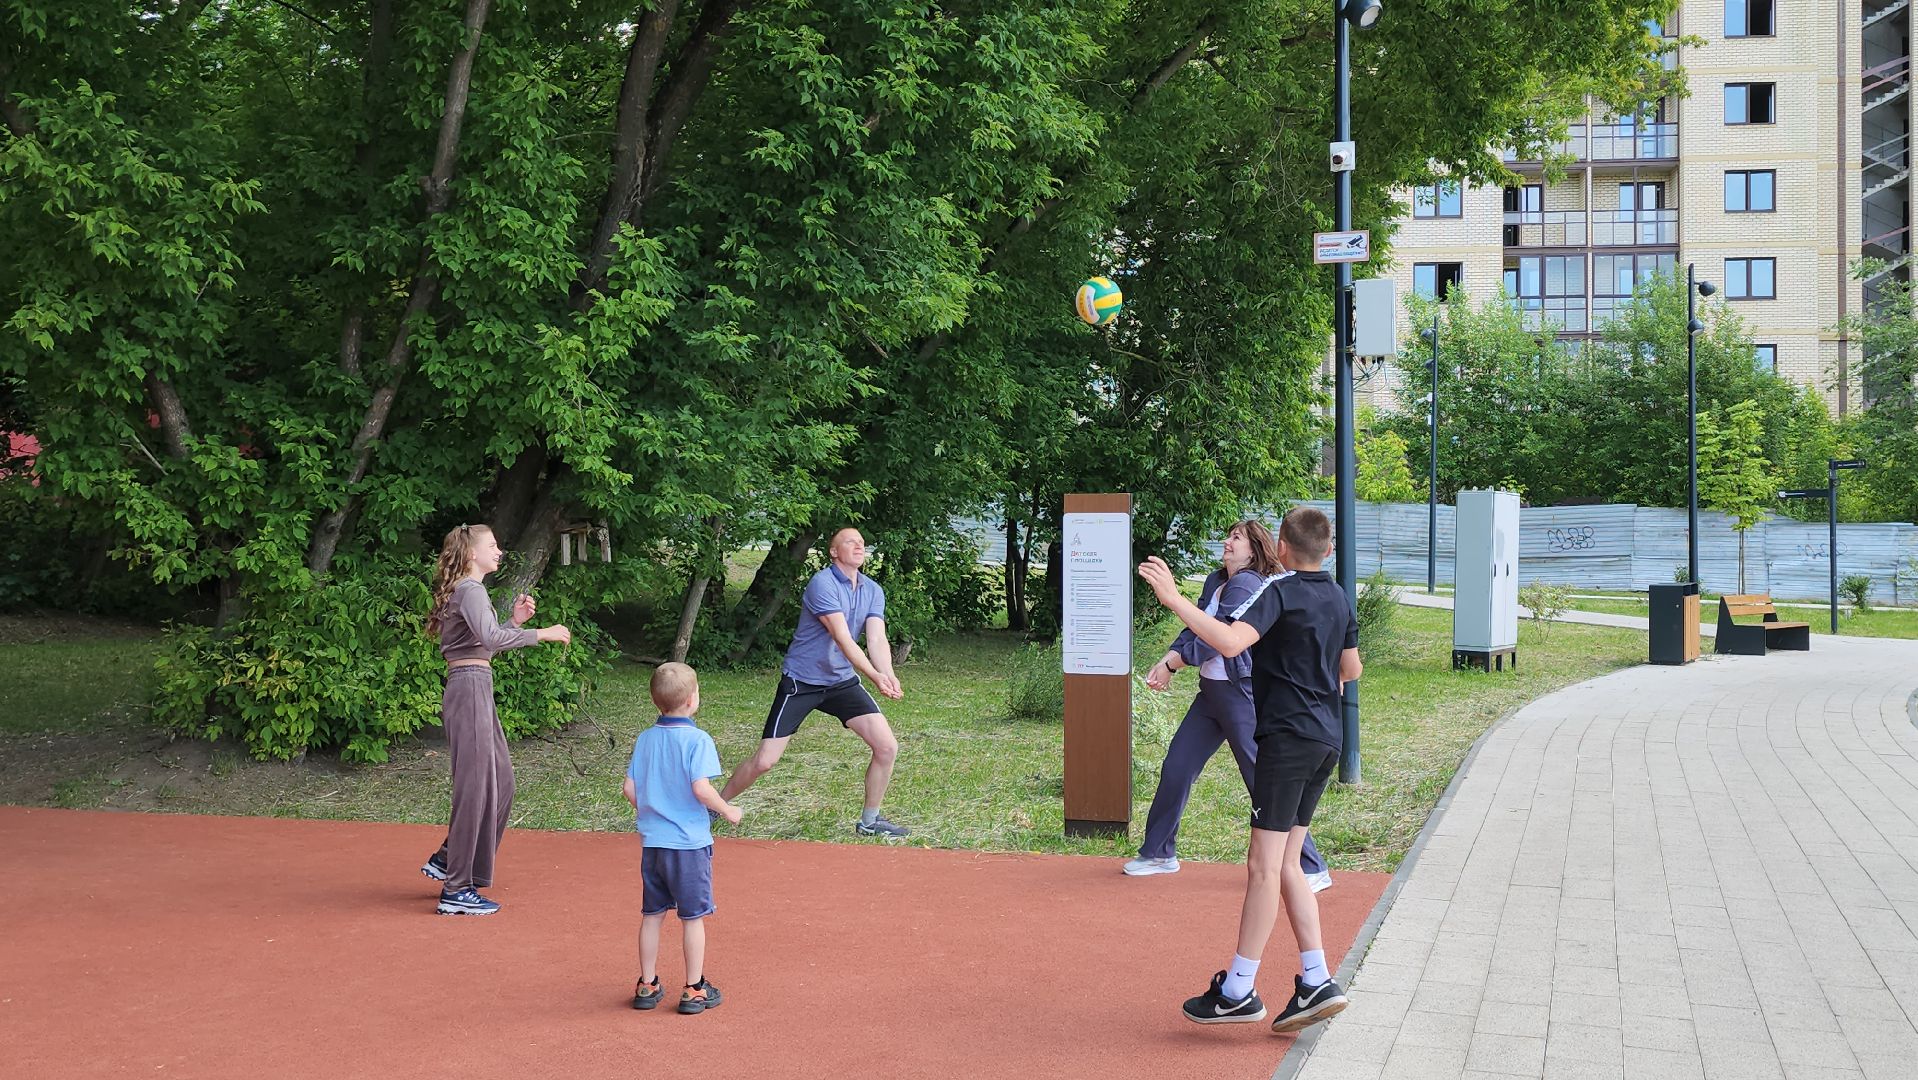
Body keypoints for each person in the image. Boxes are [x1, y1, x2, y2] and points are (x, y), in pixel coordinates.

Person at [1138, 506, 1360, 1033]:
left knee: (1263, 866)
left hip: (1287, 740)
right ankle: (1316, 979)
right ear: (1328, 550)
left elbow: (1231, 641)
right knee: (1286, 865)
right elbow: (1350, 669)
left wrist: (1172, 599)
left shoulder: (1277, 591)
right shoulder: (1337, 596)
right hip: (1326, 740)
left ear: (1280, 547)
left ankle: (1238, 990)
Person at [1125, 520, 1332, 894]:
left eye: (1236, 537)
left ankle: (1310, 865)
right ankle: (1158, 852)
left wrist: (1174, 663)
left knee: (1263, 779)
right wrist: (1170, 655)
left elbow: (1218, 638)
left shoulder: (1248, 584)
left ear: (1254, 549)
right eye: (1228, 535)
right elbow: (1195, 627)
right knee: (1178, 766)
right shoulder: (1216, 580)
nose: (1227, 541)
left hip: (1240, 695)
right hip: (1212, 694)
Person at [419, 523, 571, 915]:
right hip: (469, 687)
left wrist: (514, 624)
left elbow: (483, 643)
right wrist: (542, 633)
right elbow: (488, 640)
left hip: (476, 685)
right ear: (472, 553)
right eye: (492, 545)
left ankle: (449, 858)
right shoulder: (470, 589)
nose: (499, 551)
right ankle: (456, 889)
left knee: (501, 783)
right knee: (475, 788)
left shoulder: (470, 590)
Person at [719, 528, 909, 838]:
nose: (859, 545)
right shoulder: (823, 584)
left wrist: (887, 673)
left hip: (841, 682)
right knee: (765, 761)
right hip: (802, 681)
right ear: (834, 552)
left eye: (862, 542)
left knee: (887, 747)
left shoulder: (872, 590)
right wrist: (874, 676)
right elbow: (842, 638)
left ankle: (870, 822)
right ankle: (715, 806)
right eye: (850, 541)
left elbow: (876, 638)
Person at [625, 662, 741, 1015]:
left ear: (654, 701)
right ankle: (694, 988)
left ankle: (647, 984)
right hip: (688, 844)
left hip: (653, 844)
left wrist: (652, 809)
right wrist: (727, 810)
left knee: (652, 914)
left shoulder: (645, 739)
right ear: (693, 700)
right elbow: (701, 788)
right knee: (692, 918)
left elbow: (630, 788)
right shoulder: (698, 740)